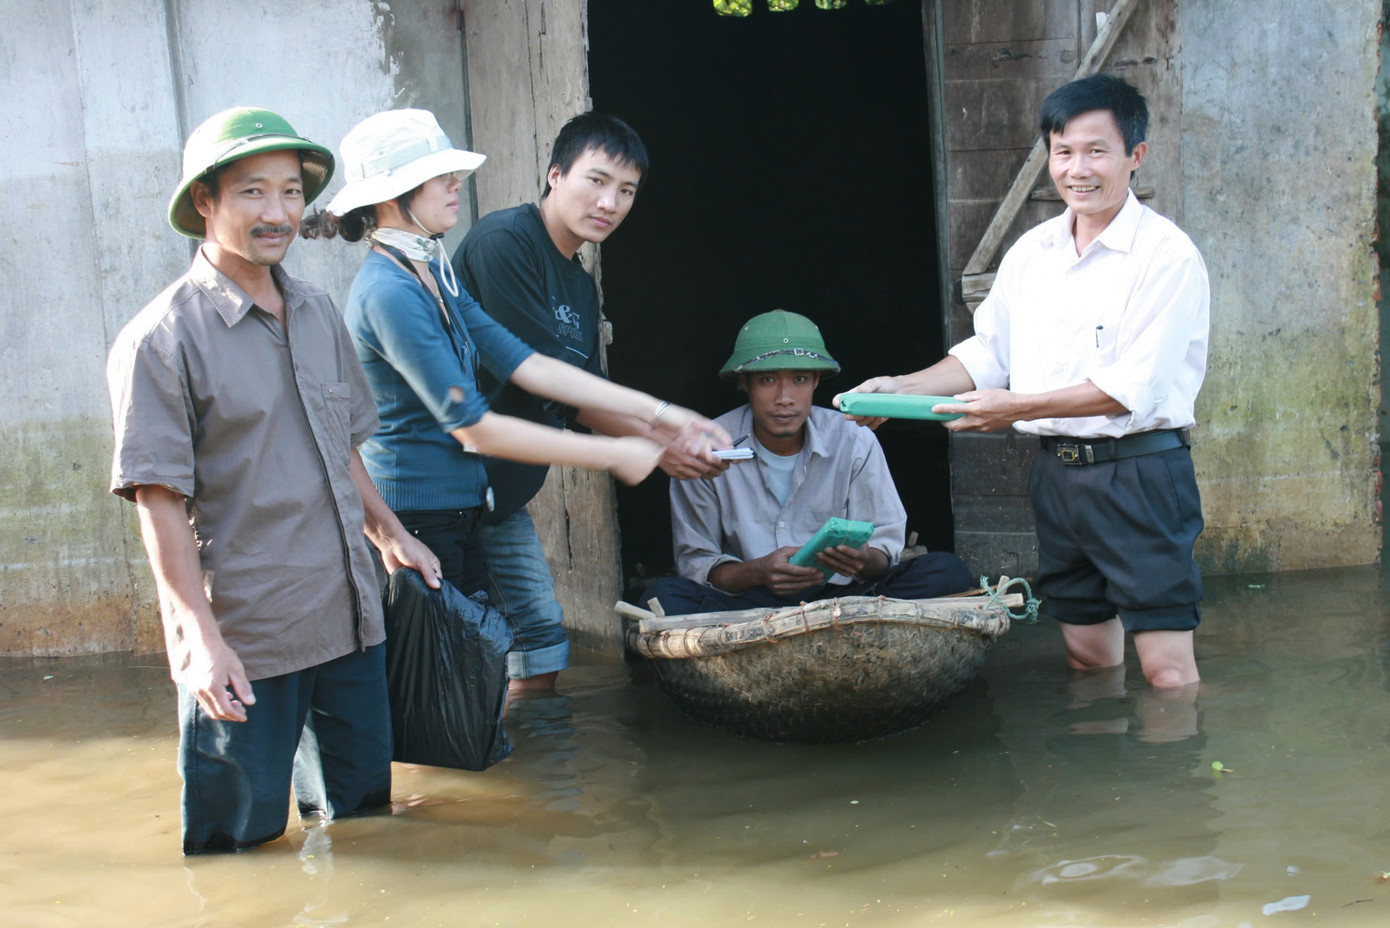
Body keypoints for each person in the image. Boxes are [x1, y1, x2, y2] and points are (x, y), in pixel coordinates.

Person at [106, 107, 441, 855]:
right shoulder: (161, 339)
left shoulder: (319, 311)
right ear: (205, 202)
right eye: (253, 192)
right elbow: (158, 499)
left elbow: (341, 444)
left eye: (291, 192)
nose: (278, 212)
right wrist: (197, 638)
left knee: (362, 825)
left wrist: (391, 533)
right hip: (247, 638)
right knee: (238, 851)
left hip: (349, 617)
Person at [838, 74, 1209, 689]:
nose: (1077, 169)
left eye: (1097, 151)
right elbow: (988, 353)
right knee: (1087, 657)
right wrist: (904, 387)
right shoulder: (1033, 251)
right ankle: (1103, 782)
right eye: (1063, 152)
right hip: (1058, 474)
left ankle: (1173, 775)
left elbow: (1128, 390)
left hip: (1140, 474)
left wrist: (1013, 409)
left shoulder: (1166, 256)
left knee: (1167, 670)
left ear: (1134, 156)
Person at [303, 109, 728, 607]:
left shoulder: (432, 273)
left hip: (463, 506)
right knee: (446, 680)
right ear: (396, 192)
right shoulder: (390, 290)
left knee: (485, 669)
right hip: (418, 516)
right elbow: (474, 428)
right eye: (440, 177)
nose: (455, 184)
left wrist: (665, 414)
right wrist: (618, 452)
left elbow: (530, 364)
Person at [452, 112, 727, 692]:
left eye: (626, 191)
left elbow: (580, 399)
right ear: (555, 175)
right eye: (596, 181)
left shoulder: (578, 281)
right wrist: (661, 424)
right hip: (450, 485)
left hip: (501, 494)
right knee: (459, 653)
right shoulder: (504, 242)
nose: (610, 202)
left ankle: (537, 774)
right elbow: (541, 375)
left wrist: (666, 446)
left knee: (541, 645)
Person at [643, 311, 973, 616]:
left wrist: (862, 561)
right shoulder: (707, 445)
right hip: (749, 601)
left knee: (947, 571)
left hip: (846, 599)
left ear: (817, 381)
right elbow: (699, 564)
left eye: (800, 379)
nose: (784, 397)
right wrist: (758, 571)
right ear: (744, 383)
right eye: (767, 380)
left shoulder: (853, 438)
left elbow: (884, 550)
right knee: (663, 597)